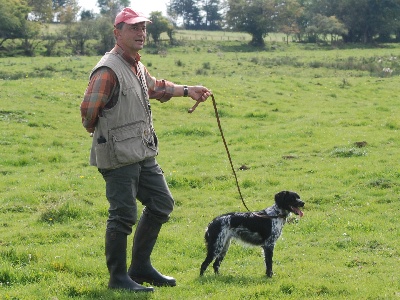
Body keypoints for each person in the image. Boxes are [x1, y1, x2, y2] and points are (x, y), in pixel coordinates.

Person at [80, 7, 211, 292]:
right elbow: (89, 109)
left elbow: (154, 87)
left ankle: (139, 267)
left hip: (142, 152)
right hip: (117, 156)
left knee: (162, 203)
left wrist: (189, 90)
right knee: (123, 215)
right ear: (117, 33)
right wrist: (98, 131)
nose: (141, 33)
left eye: (143, 28)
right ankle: (118, 279)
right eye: (133, 28)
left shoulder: (136, 65)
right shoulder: (108, 69)